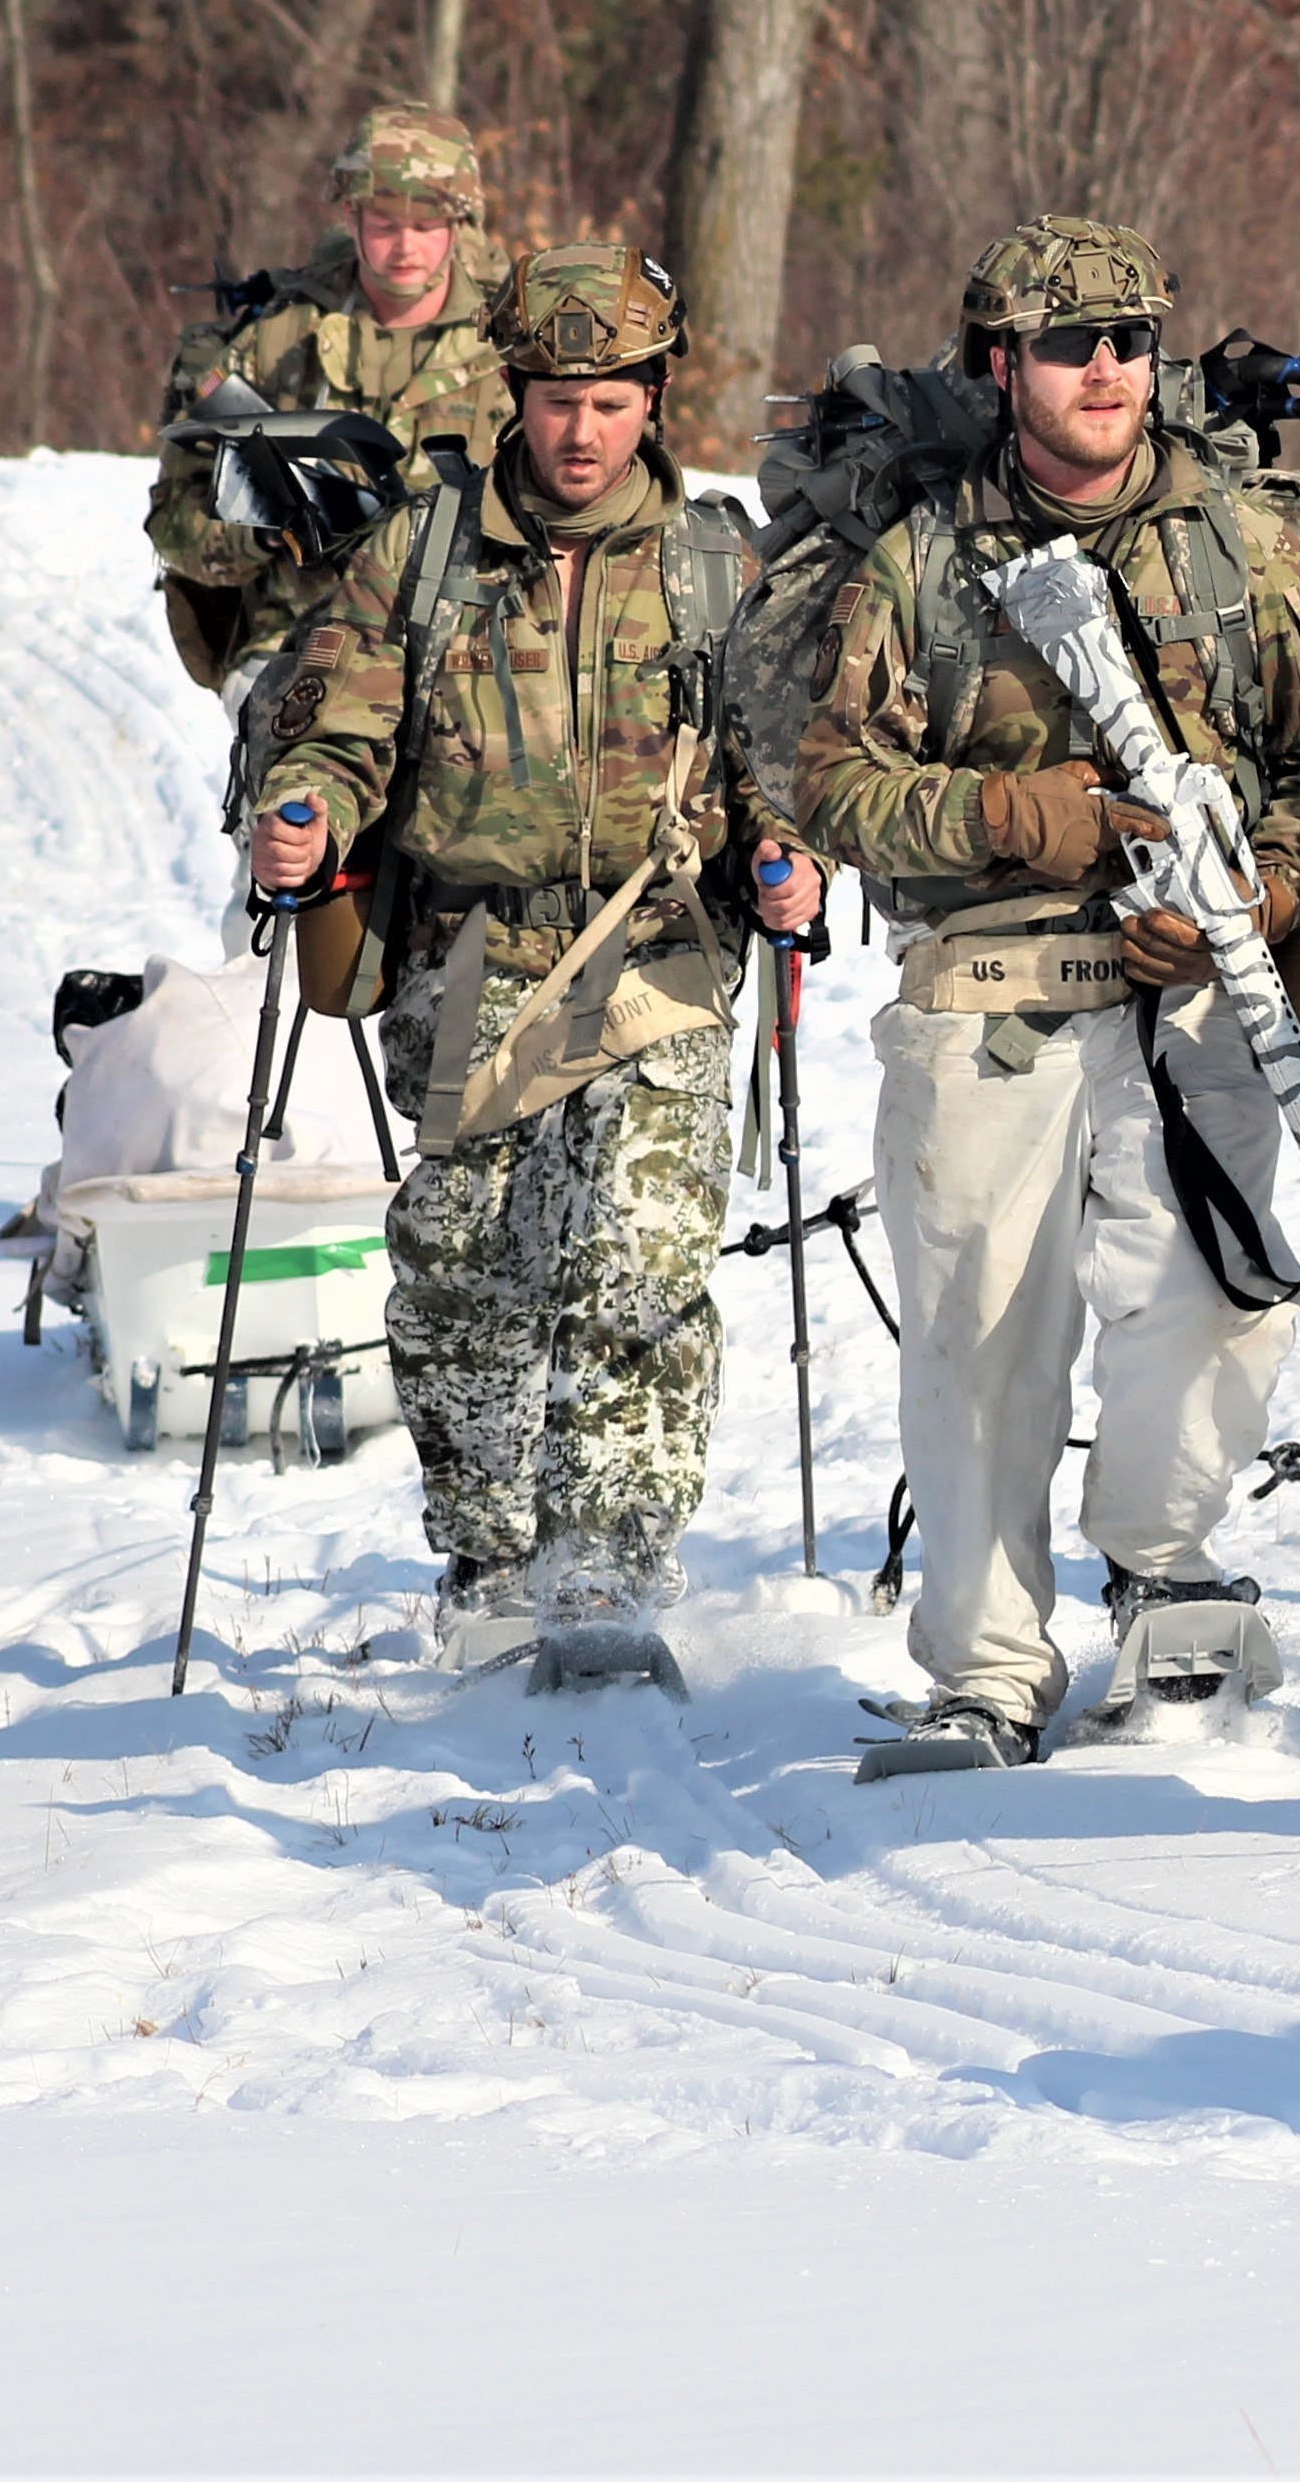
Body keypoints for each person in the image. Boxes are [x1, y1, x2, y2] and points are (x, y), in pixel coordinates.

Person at [790, 215, 1300, 1775]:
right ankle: (988, 1666)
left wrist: (1259, 884)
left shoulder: (1242, 542)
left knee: (1212, 1304)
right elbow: (830, 784)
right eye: (1072, 345)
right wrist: (1019, 817)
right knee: (982, 1340)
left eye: (1133, 340)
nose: (1109, 371)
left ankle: (1162, 1566)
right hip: (989, 990)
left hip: (1200, 997)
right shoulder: (925, 558)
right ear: (1002, 365)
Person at [249, 242, 827, 1684]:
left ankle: (607, 1572)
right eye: (559, 396)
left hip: (661, 951)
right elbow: (338, 724)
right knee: (465, 1274)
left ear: (655, 400)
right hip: (470, 958)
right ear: (517, 390)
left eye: (615, 399)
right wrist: (305, 809)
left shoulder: (720, 560)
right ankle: (494, 1566)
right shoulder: (426, 549)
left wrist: (792, 849)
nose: (583, 430)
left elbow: (778, 755)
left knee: (638, 1260)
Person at [148, 105, 514, 701]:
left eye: (426, 225)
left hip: (474, 645)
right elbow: (175, 526)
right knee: (294, 754)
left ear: (459, 222)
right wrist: (270, 526)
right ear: (351, 214)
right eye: (385, 223)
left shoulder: (511, 346)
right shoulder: (278, 344)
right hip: (302, 636)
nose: (405, 246)